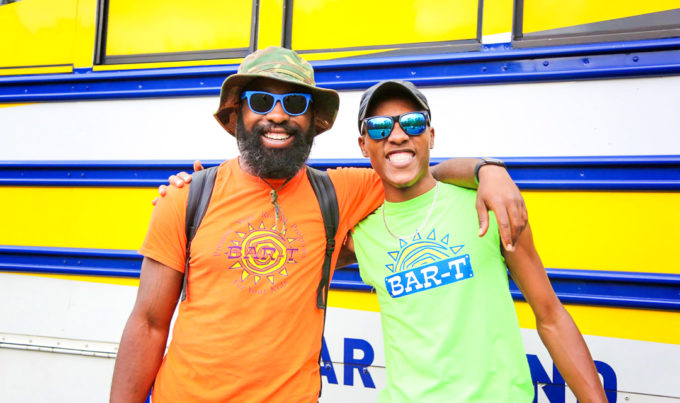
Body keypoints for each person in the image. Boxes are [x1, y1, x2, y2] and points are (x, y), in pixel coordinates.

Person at [110, 47, 528, 403]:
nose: (278, 115)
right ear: (237, 115)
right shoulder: (186, 199)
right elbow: (148, 324)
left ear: (313, 122)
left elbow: (419, 170)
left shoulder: (342, 191)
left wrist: (487, 169)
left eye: (295, 105)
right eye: (260, 101)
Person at [346, 80, 607, 402]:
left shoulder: (490, 206)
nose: (397, 135)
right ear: (363, 145)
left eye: (413, 122)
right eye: (379, 127)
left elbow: (550, 315)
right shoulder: (361, 234)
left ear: (431, 135)